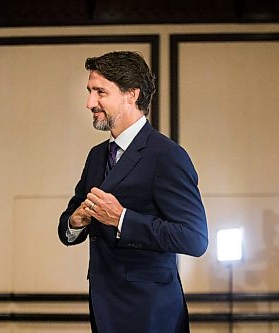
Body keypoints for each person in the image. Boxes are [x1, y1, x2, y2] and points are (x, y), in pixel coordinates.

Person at [58, 51, 208, 333]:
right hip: (104, 308)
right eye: (90, 92)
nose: (90, 102)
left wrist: (122, 219)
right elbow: (69, 221)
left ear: (132, 94)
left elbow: (194, 239)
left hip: (151, 313)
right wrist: (75, 222)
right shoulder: (96, 155)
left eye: (100, 92)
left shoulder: (167, 155)